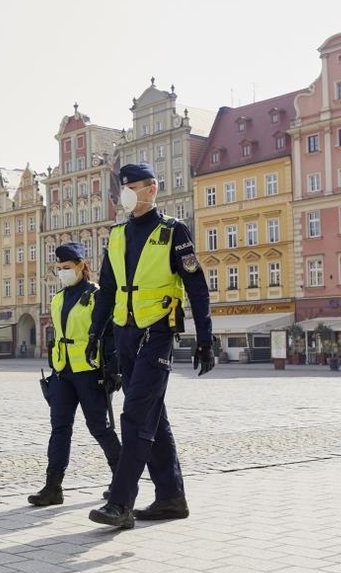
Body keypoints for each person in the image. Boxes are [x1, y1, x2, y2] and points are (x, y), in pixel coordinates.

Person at [87, 162, 214, 529]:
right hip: (124, 334)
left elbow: (196, 286)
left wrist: (205, 338)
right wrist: (97, 335)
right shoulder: (116, 234)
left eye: (132, 187)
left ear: (152, 189)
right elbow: (107, 290)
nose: (125, 193)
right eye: (121, 187)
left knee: (135, 416)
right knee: (153, 417)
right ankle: (171, 497)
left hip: (157, 333)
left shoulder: (174, 231)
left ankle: (120, 502)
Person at [28, 242, 122, 507]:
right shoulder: (58, 298)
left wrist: (115, 370)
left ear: (82, 265)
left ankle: (122, 481)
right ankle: (52, 487)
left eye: (67, 267)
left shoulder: (96, 296)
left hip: (90, 372)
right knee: (60, 429)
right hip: (63, 372)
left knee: (100, 428)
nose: (62, 272)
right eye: (59, 269)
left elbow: (112, 335)